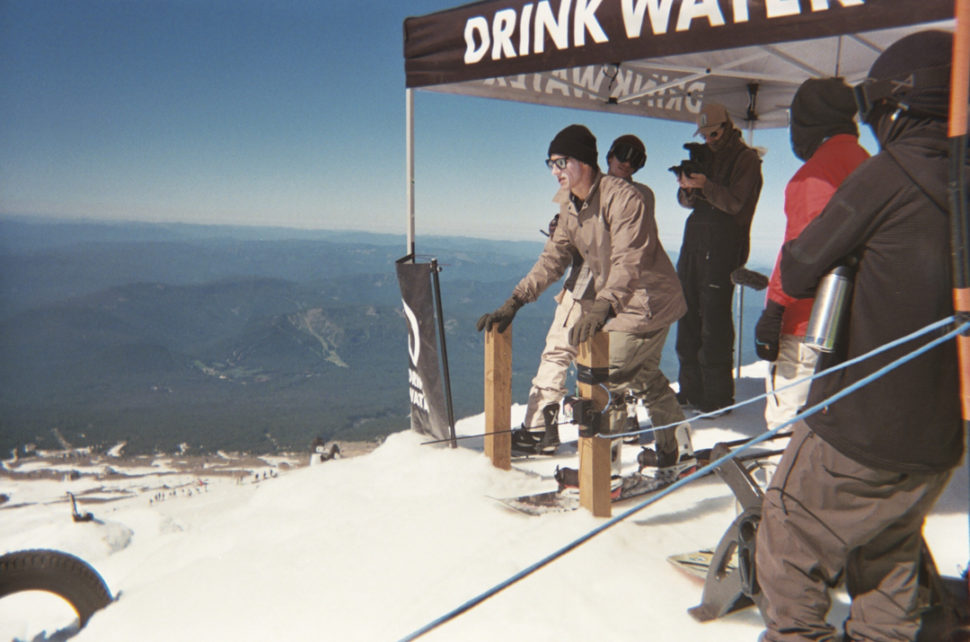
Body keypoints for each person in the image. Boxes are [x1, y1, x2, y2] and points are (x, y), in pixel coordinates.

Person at [755, 30, 965, 640]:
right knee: (887, 552)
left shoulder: (890, 173)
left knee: (790, 532)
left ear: (895, 108)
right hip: (938, 438)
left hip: (859, 422)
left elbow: (799, 265)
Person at [477, 125, 693, 477]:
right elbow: (553, 258)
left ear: (586, 161)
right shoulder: (569, 205)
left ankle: (603, 474)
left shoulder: (624, 198)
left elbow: (629, 259)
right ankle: (678, 451)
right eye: (549, 163)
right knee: (647, 377)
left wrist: (604, 305)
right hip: (626, 301)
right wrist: (516, 300)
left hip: (645, 301)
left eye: (561, 161)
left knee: (606, 379)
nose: (555, 171)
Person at [515, 134, 656, 455]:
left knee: (559, 350)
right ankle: (625, 419)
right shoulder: (640, 194)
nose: (627, 161)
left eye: (635, 157)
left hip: (588, 283)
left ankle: (540, 428)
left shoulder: (601, 191)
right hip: (627, 290)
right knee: (615, 356)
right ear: (609, 155)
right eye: (624, 153)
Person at [754, 78, 869, 431]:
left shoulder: (813, 176)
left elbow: (802, 255)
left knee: (785, 426)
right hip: (857, 325)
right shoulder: (867, 164)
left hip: (808, 326)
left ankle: (779, 486)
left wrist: (774, 312)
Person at [674, 102, 763, 414]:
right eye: (705, 134)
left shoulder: (747, 159)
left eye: (714, 133)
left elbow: (737, 203)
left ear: (727, 127)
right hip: (695, 242)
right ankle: (690, 390)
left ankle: (717, 397)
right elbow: (690, 203)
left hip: (724, 245)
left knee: (714, 322)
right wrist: (687, 187)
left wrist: (705, 185)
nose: (710, 139)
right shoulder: (705, 156)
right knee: (687, 314)